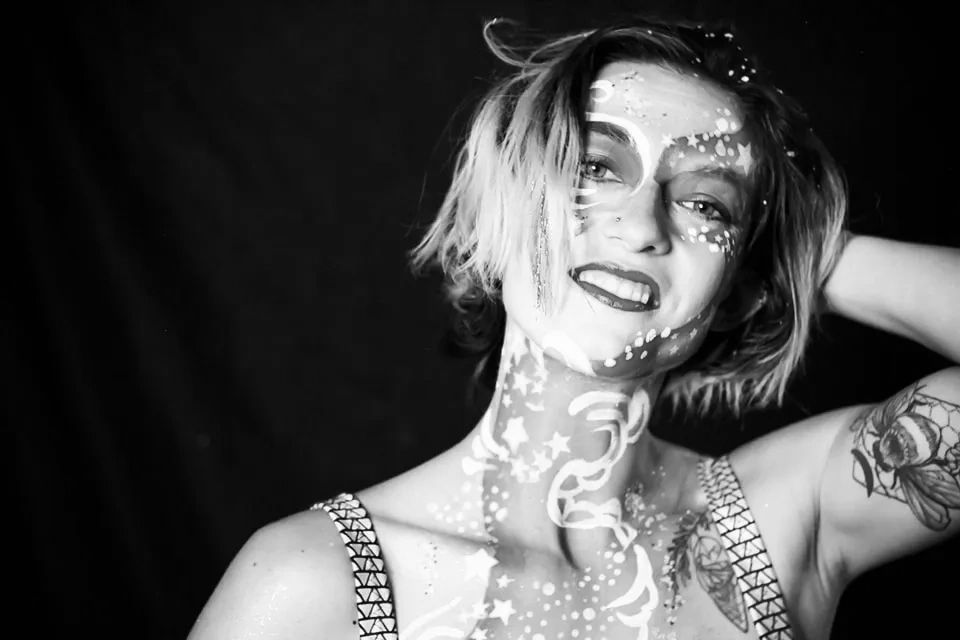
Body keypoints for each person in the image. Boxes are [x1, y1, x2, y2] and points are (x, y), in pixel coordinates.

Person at [187, 16, 960, 640]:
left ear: (738, 295)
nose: (641, 226)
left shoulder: (784, 523)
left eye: (704, 204)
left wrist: (798, 252)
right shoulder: (317, 580)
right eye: (595, 168)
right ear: (501, 205)